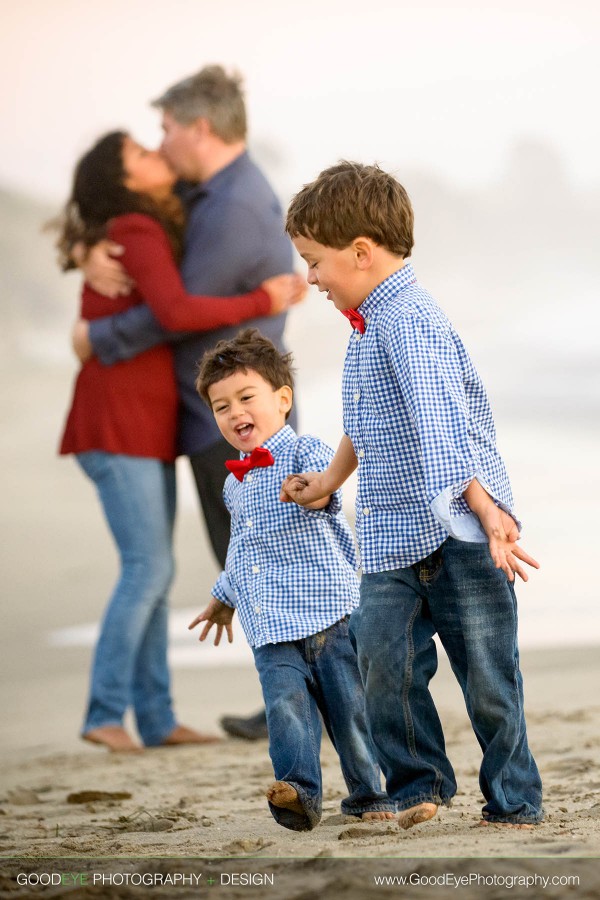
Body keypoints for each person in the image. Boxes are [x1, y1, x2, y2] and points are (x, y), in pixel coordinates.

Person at [281, 161, 544, 829]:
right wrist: (331, 482)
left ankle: (514, 800)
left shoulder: (409, 321)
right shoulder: (370, 324)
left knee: (489, 681)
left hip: (461, 532)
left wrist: (486, 510)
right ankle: (418, 784)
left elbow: (442, 422)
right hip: (394, 534)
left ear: (361, 253)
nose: (311, 277)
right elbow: (369, 421)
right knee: (382, 665)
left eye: (315, 261)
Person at [57, 130, 301, 753]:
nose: (156, 153)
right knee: (149, 568)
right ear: (125, 181)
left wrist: (83, 248)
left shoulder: (157, 221)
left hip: (143, 426)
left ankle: (158, 719)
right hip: (118, 424)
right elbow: (173, 313)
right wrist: (262, 298)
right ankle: (105, 713)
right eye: (141, 154)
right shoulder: (136, 229)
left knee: (154, 574)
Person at [188, 329, 396, 831]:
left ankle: (370, 794)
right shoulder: (233, 483)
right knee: (285, 708)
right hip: (271, 624)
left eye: (246, 398)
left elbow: (329, 491)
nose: (235, 413)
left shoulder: (305, 450)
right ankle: (298, 794)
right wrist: (224, 596)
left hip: (330, 614)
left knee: (350, 713)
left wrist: (315, 493)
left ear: (283, 400)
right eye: (221, 407)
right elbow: (242, 550)